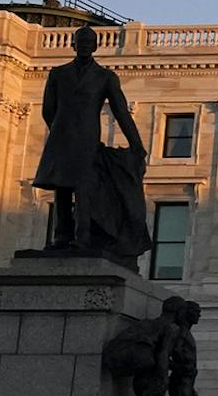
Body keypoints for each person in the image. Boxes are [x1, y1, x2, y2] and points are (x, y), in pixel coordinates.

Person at [34, 25, 150, 262]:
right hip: (62, 138)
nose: (85, 45)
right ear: (73, 44)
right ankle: (61, 237)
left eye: (89, 42)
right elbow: (48, 109)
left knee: (84, 188)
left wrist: (136, 143)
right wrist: (61, 129)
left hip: (88, 140)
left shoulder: (105, 77)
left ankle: (83, 237)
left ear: (96, 46)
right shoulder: (58, 74)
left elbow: (121, 112)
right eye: (81, 41)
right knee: (62, 190)